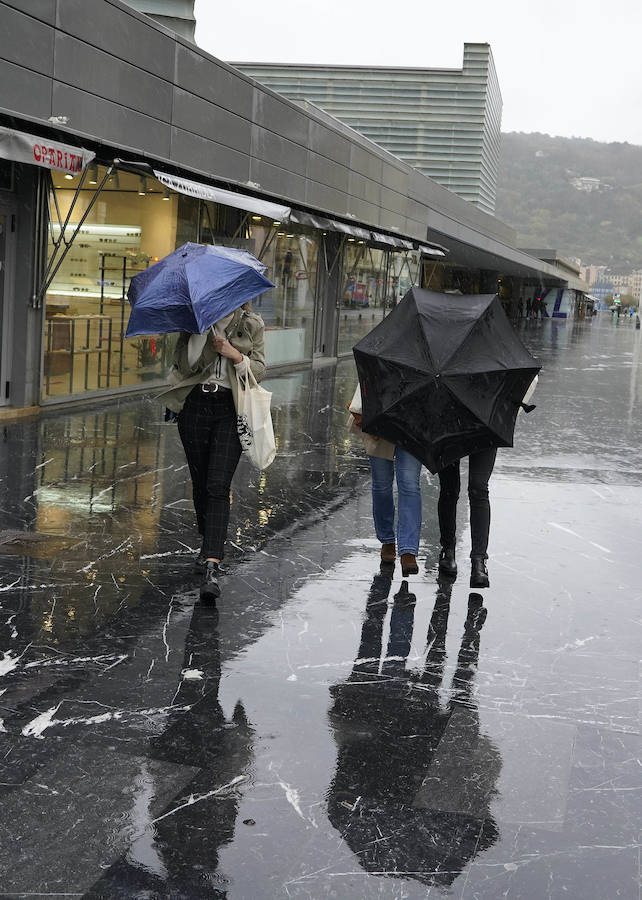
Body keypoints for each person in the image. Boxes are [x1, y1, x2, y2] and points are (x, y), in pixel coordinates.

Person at [162, 302, 266, 602]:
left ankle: (211, 562)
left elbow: (260, 370)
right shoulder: (192, 323)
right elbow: (183, 366)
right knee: (201, 482)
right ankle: (208, 540)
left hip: (230, 410)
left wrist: (234, 354)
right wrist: (201, 338)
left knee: (218, 486)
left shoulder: (251, 324)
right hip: (195, 406)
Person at [437, 375, 538, 588]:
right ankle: (450, 551)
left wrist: (507, 410)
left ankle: (477, 561)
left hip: (484, 415)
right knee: (452, 488)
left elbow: (528, 376)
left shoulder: (496, 352)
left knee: (476, 488)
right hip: (451, 415)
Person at [348, 389, 422, 577]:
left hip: (414, 421)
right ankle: (387, 540)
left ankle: (408, 550)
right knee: (381, 485)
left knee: (410, 485)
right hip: (380, 416)